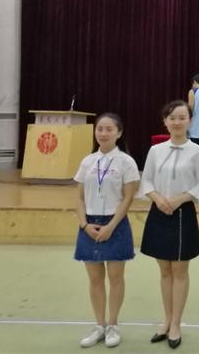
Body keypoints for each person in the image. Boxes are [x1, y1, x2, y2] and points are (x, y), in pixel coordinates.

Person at [138, 100, 199, 349]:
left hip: (183, 213)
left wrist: (180, 199)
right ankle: (166, 319)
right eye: (172, 118)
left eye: (182, 117)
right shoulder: (156, 150)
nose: (177, 122)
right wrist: (158, 199)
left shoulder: (198, 152)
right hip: (159, 211)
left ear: (190, 121)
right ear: (165, 121)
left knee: (179, 270)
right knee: (164, 271)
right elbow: (147, 180)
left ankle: (176, 324)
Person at [74, 113, 140, 348]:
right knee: (94, 280)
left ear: (119, 133)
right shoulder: (87, 162)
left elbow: (128, 198)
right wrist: (85, 225)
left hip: (115, 224)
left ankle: (113, 325)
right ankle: (99, 325)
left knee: (115, 278)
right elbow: (79, 198)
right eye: (100, 129)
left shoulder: (126, 162)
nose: (103, 133)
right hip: (89, 225)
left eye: (109, 129)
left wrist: (111, 226)